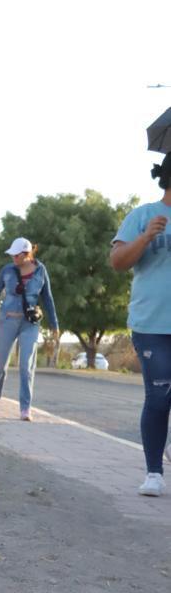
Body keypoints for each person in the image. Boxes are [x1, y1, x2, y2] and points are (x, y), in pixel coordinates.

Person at [110, 151, 171, 497]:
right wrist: (146, 237)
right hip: (153, 325)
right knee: (160, 397)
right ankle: (154, 473)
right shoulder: (144, 216)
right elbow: (118, 261)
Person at [0, 238, 59, 421]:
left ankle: (25, 408)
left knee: (26, 365)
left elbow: (47, 298)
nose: (13, 258)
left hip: (29, 323)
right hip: (7, 321)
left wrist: (54, 324)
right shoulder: (7, 270)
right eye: (12, 255)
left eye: (17, 255)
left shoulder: (41, 270)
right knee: (0, 364)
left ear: (27, 254)